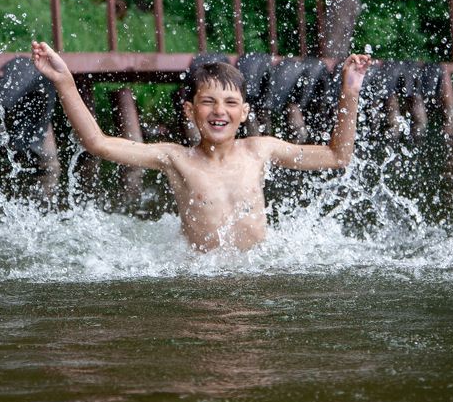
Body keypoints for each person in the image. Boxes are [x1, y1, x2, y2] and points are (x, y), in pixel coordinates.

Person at [31, 40, 372, 252]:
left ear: (244, 112)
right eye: (208, 102)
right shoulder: (175, 158)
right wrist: (64, 81)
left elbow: (337, 156)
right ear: (190, 111)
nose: (219, 111)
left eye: (230, 103)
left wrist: (350, 91)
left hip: (258, 276)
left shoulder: (260, 150)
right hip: (203, 278)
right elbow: (98, 143)